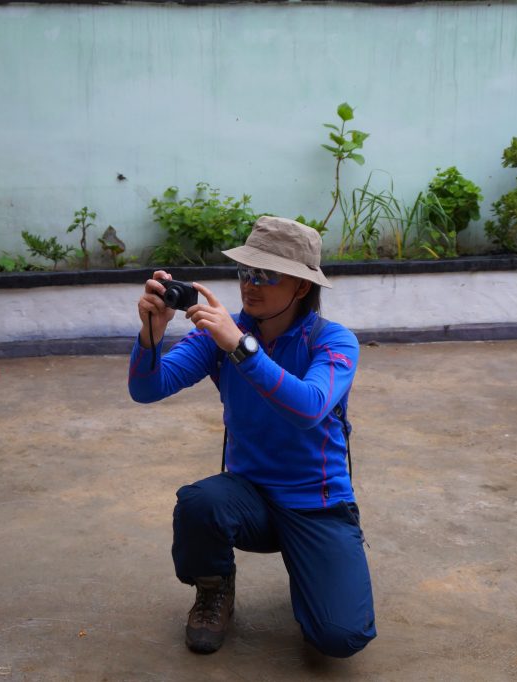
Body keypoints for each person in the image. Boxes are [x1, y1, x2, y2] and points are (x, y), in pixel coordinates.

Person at [128, 216, 376, 658]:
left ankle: (317, 573)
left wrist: (240, 346)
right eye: (245, 272)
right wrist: (153, 334)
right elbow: (147, 389)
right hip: (250, 499)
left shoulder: (334, 341)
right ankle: (214, 586)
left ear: (301, 287)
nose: (250, 285)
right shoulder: (219, 335)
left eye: (266, 276)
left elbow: (310, 407)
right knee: (199, 502)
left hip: (318, 505)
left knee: (340, 638)